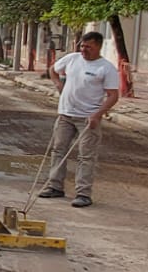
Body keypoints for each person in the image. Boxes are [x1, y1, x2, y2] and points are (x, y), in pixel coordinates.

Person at [38, 31, 122, 208]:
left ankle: (83, 193)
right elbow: (53, 70)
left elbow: (113, 96)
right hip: (65, 114)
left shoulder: (106, 68)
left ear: (98, 46)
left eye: (88, 47)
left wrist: (97, 115)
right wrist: (58, 84)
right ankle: (55, 186)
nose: (84, 50)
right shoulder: (72, 59)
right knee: (58, 150)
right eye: (82, 46)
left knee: (86, 156)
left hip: (87, 118)